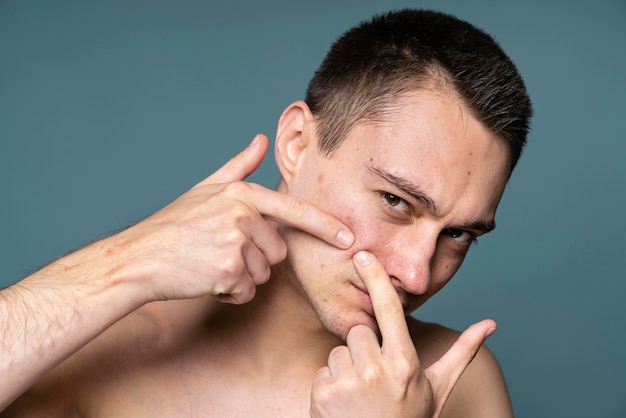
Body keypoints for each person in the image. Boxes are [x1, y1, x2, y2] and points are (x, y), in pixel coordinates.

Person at [0, 8, 532, 417]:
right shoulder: (103, 346)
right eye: (396, 201)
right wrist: (128, 260)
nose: (416, 273)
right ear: (297, 143)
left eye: (459, 234)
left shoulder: (453, 381)